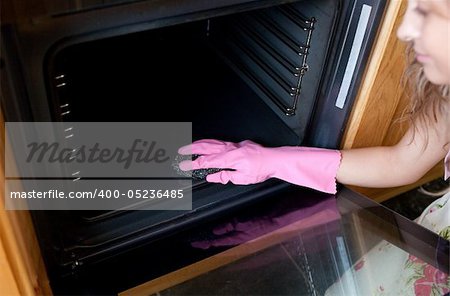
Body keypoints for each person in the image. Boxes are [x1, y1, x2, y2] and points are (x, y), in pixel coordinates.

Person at [178, 0, 450, 294]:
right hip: (432, 243)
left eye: (426, 11)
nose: (403, 30)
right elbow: (404, 161)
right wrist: (273, 161)